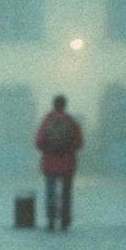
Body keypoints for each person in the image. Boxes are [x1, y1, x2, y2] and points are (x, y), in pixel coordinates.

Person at [33, 94, 83, 231]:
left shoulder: (47, 120)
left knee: (50, 192)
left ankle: (50, 221)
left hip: (50, 164)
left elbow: (38, 142)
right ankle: (65, 221)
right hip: (67, 164)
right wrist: (68, 149)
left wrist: (48, 149)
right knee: (66, 193)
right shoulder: (71, 121)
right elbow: (79, 143)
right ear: (65, 105)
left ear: (53, 104)